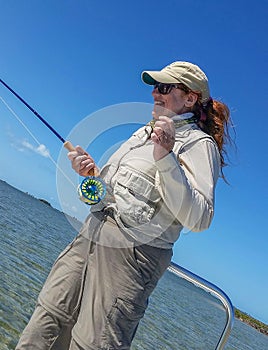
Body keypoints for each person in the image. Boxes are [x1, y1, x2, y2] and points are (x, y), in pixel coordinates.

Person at [16, 61, 232, 350]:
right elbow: (112, 194)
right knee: (47, 321)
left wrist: (165, 156)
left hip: (131, 259)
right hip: (89, 237)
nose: (155, 93)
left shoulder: (198, 144)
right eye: (155, 86)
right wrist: (90, 172)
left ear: (190, 98)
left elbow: (200, 218)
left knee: (93, 343)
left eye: (165, 87)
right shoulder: (142, 133)